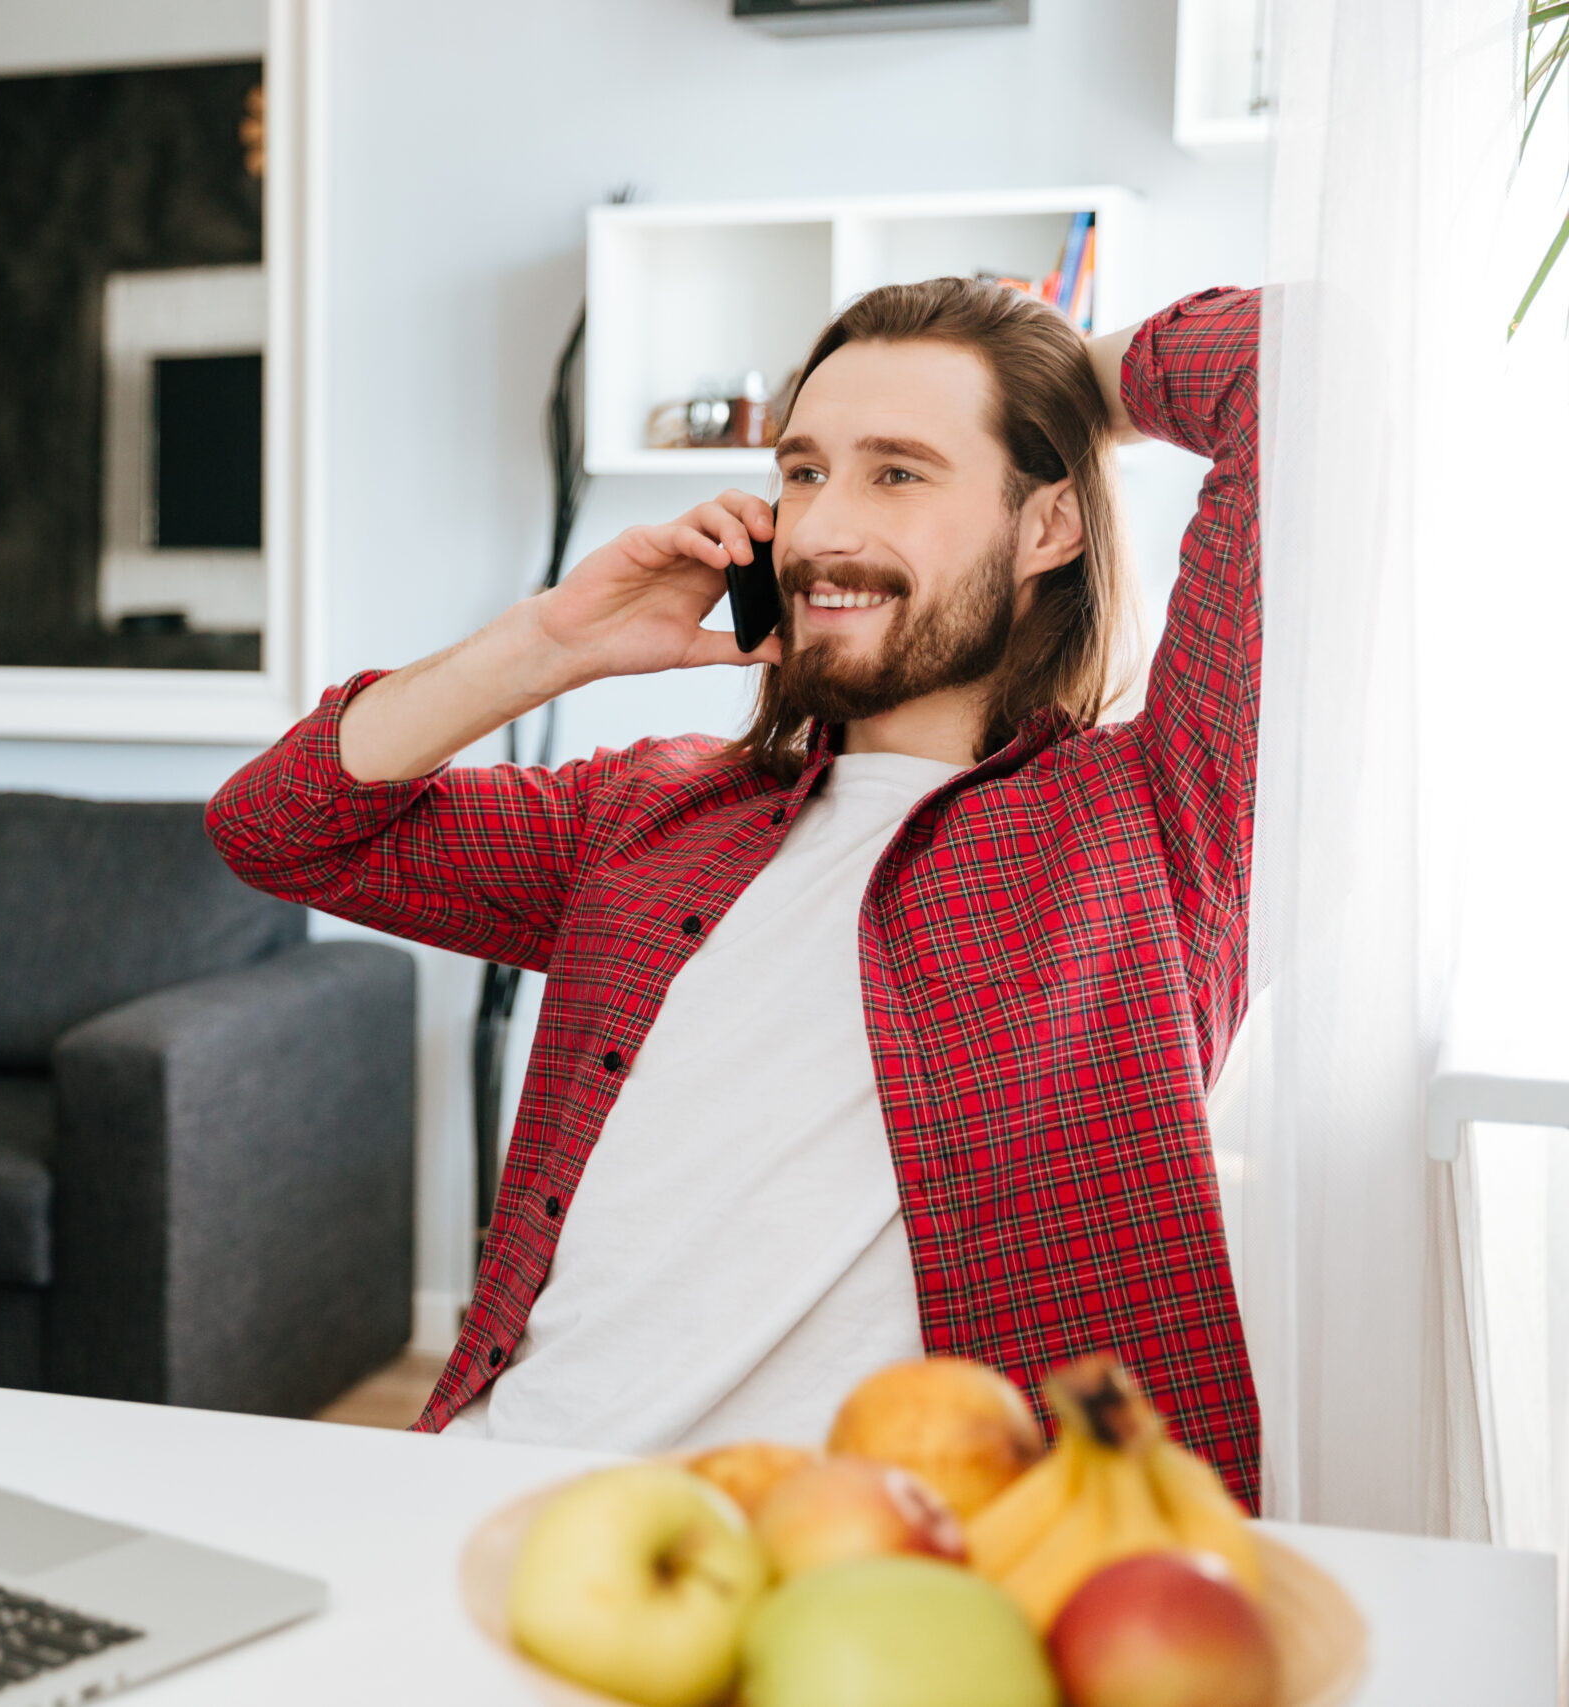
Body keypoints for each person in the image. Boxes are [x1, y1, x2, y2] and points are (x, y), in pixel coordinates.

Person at [206, 281, 1265, 1506]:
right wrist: (553, 646)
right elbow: (280, 830)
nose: (818, 530)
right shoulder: (654, 811)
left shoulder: (1151, 821)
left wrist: (1071, 381)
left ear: (1049, 528)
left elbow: (1281, 368)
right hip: (491, 1502)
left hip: (864, 1585)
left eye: (898, 473)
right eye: (803, 472)